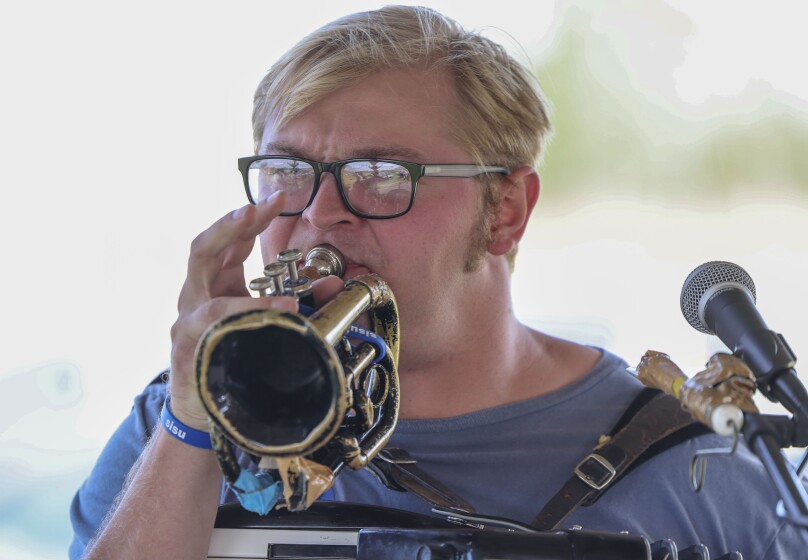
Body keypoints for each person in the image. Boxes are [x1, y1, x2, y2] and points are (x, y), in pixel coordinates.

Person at [69, 5, 807, 559]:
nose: (322, 215)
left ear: (506, 212)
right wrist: (195, 423)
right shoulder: (179, 426)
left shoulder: (696, 462)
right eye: (289, 173)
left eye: (383, 176)